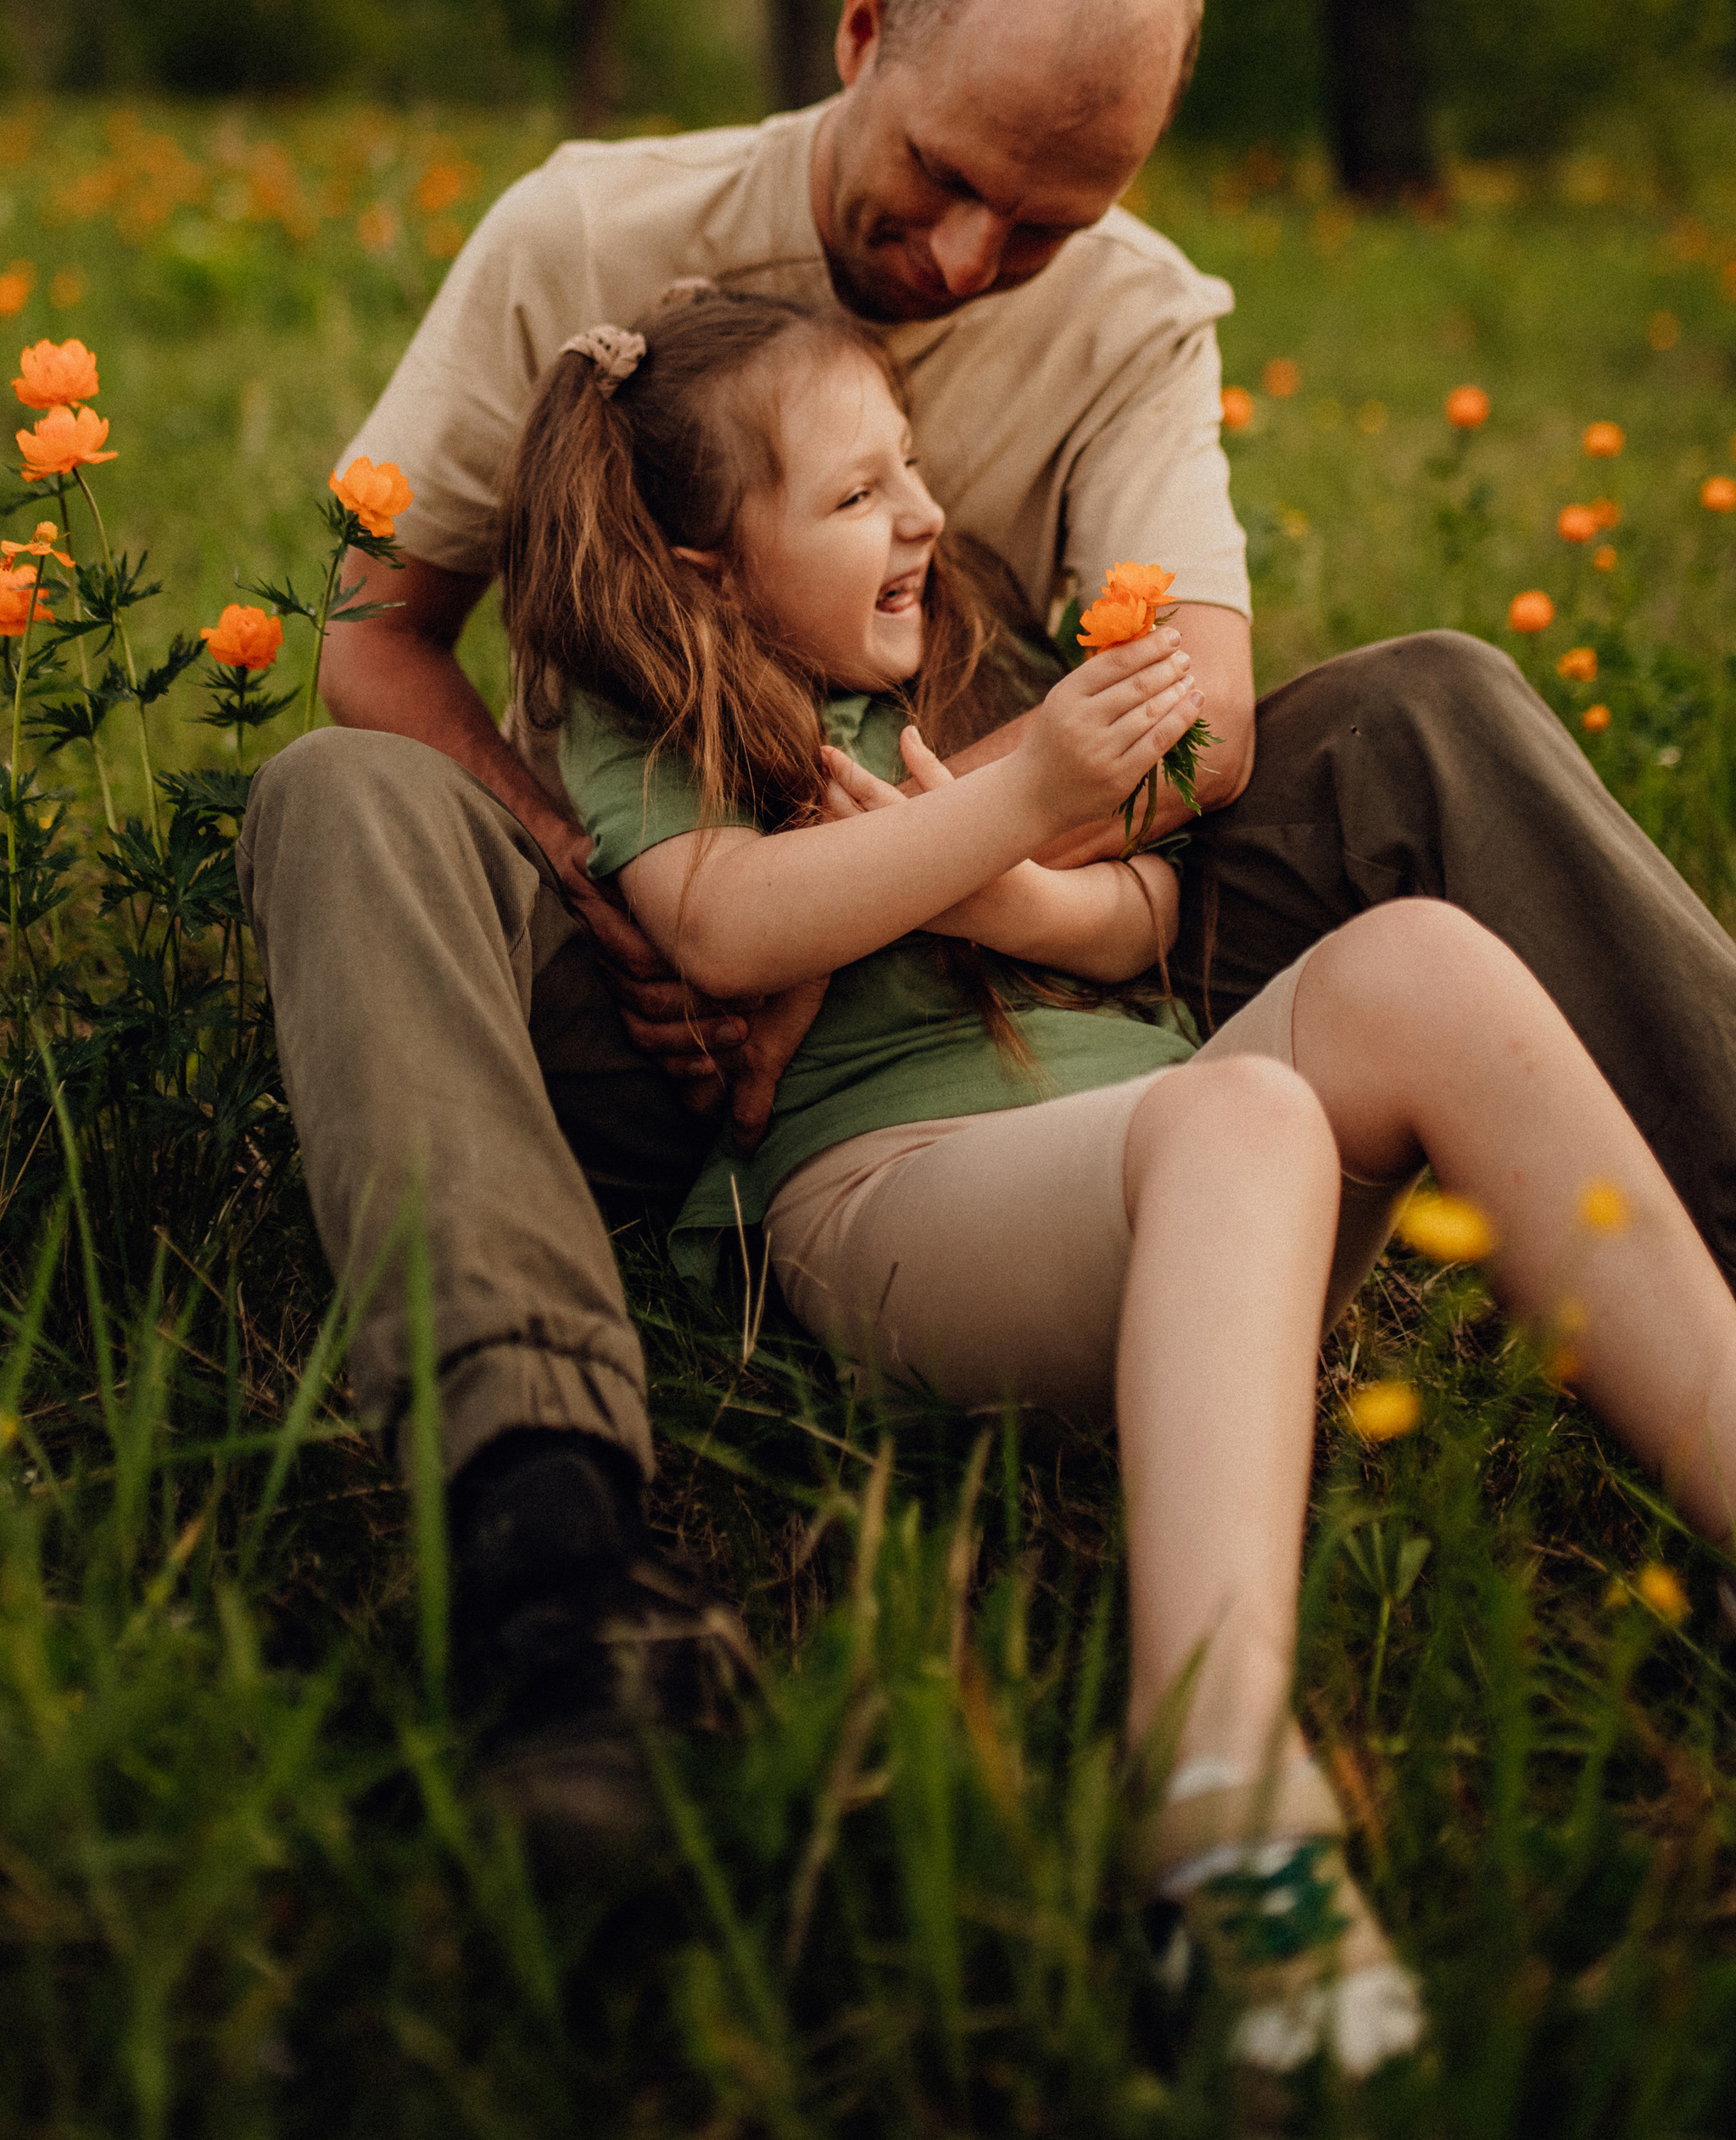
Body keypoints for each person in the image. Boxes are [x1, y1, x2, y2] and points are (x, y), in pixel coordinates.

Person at [235, 0, 1736, 1844]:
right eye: (933, 179)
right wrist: (641, 921)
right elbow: (373, 647)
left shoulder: (1126, 316)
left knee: (1431, 708)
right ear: (862, 26)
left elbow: (1198, 698)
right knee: (336, 800)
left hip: (1003, 938)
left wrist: (996, 853)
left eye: (1038, 223)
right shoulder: (590, 235)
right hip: (635, 999)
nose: (956, 258)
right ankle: (552, 1538)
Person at [494, 282, 1736, 2074]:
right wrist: (1000, 811)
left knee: (1416, 964)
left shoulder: (940, 680)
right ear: (702, 571)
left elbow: (1150, 915)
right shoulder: (649, 723)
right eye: (855, 500)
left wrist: (1008, 885)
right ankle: (1213, 1790)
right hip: (895, 1189)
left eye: (908, 470)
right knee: (1237, 1122)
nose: (921, 516)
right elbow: (718, 924)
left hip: (1164, 1133)